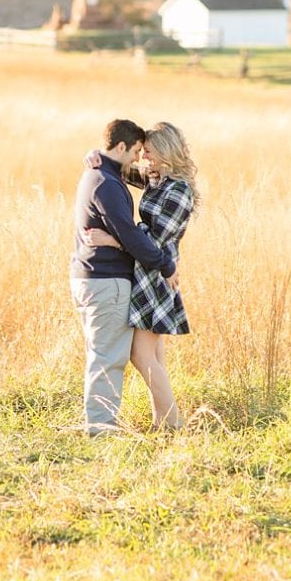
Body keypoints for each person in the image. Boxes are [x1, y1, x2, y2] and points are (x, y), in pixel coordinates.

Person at [84, 121, 197, 429]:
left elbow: (154, 238)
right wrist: (96, 155)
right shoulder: (156, 178)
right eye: (142, 152)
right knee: (154, 354)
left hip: (159, 274)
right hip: (147, 270)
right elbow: (118, 167)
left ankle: (174, 423)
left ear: (164, 151)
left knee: (140, 354)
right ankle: (163, 421)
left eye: (148, 152)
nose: (143, 158)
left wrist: (111, 239)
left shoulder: (180, 190)